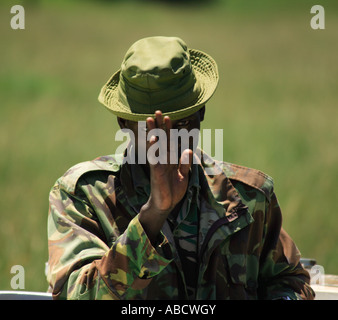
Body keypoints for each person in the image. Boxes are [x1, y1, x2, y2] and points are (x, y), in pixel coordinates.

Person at [46, 36, 315, 300]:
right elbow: (78, 295)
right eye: (150, 129)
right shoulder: (84, 195)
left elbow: (290, 281)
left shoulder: (248, 198)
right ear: (123, 123)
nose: (167, 139)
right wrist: (152, 216)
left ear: (201, 114)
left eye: (182, 124)